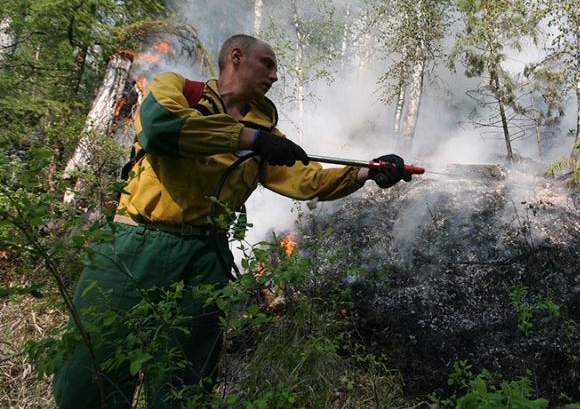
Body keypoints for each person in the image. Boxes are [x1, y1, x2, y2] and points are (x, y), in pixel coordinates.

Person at [52, 34, 413, 408]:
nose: (274, 77)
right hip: (137, 243)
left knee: (185, 382)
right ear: (236, 58)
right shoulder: (176, 89)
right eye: (268, 65)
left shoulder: (264, 130)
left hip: (207, 257)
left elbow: (306, 179)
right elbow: (163, 128)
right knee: (93, 368)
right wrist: (248, 138)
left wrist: (366, 172)